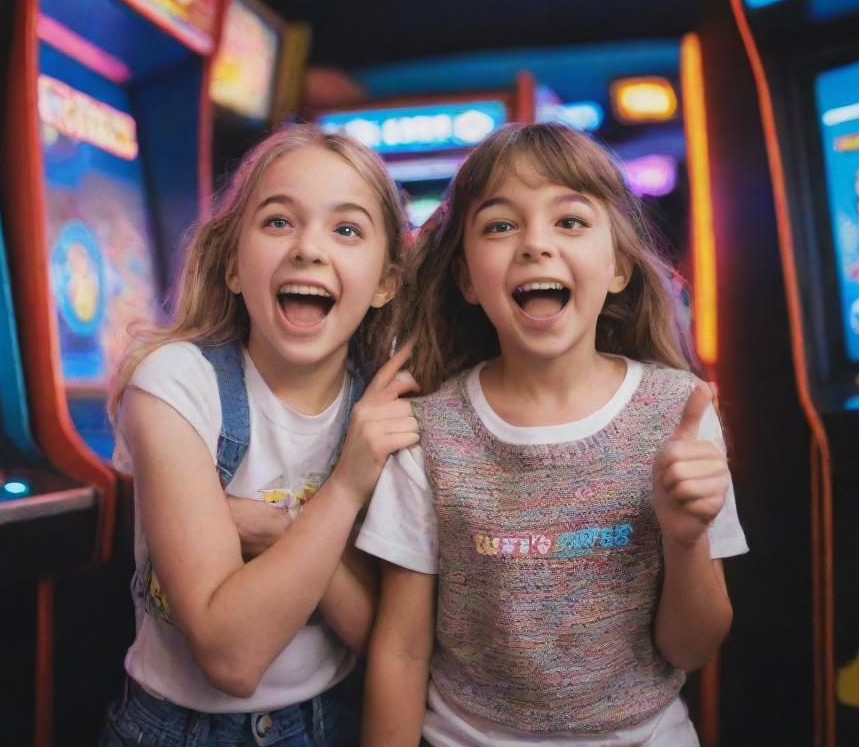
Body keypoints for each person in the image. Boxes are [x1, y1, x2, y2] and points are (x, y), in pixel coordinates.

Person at [358, 122, 748, 747]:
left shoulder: (677, 414)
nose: (535, 244)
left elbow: (693, 646)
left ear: (619, 265)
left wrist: (684, 538)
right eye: (500, 225)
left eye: (569, 221)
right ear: (465, 278)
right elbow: (402, 651)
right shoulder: (429, 432)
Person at [101, 124, 420, 747]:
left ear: (385, 281)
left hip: (333, 722)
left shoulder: (385, 410)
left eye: (347, 229)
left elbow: (387, 640)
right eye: (279, 222)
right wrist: (347, 486)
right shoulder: (175, 383)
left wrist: (278, 529)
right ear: (232, 266)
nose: (309, 249)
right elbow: (230, 657)